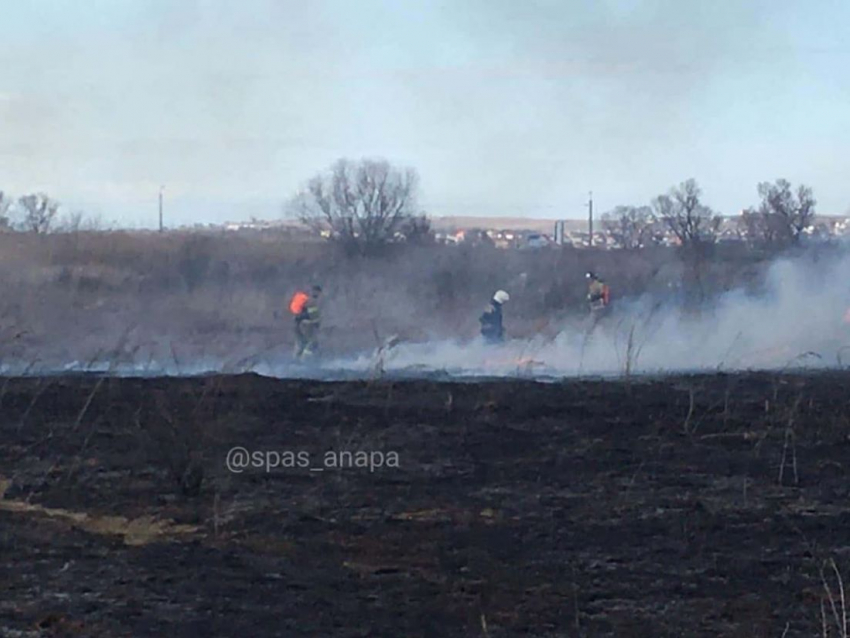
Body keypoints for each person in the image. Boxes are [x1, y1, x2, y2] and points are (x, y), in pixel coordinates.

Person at [292, 285, 322, 359]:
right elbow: (313, 315)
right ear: (316, 292)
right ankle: (304, 359)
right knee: (312, 343)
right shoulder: (311, 301)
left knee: (300, 343)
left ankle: (295, 360)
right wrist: (317, 323)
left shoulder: (303, 298)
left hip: (297, 323)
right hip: (306, 324)